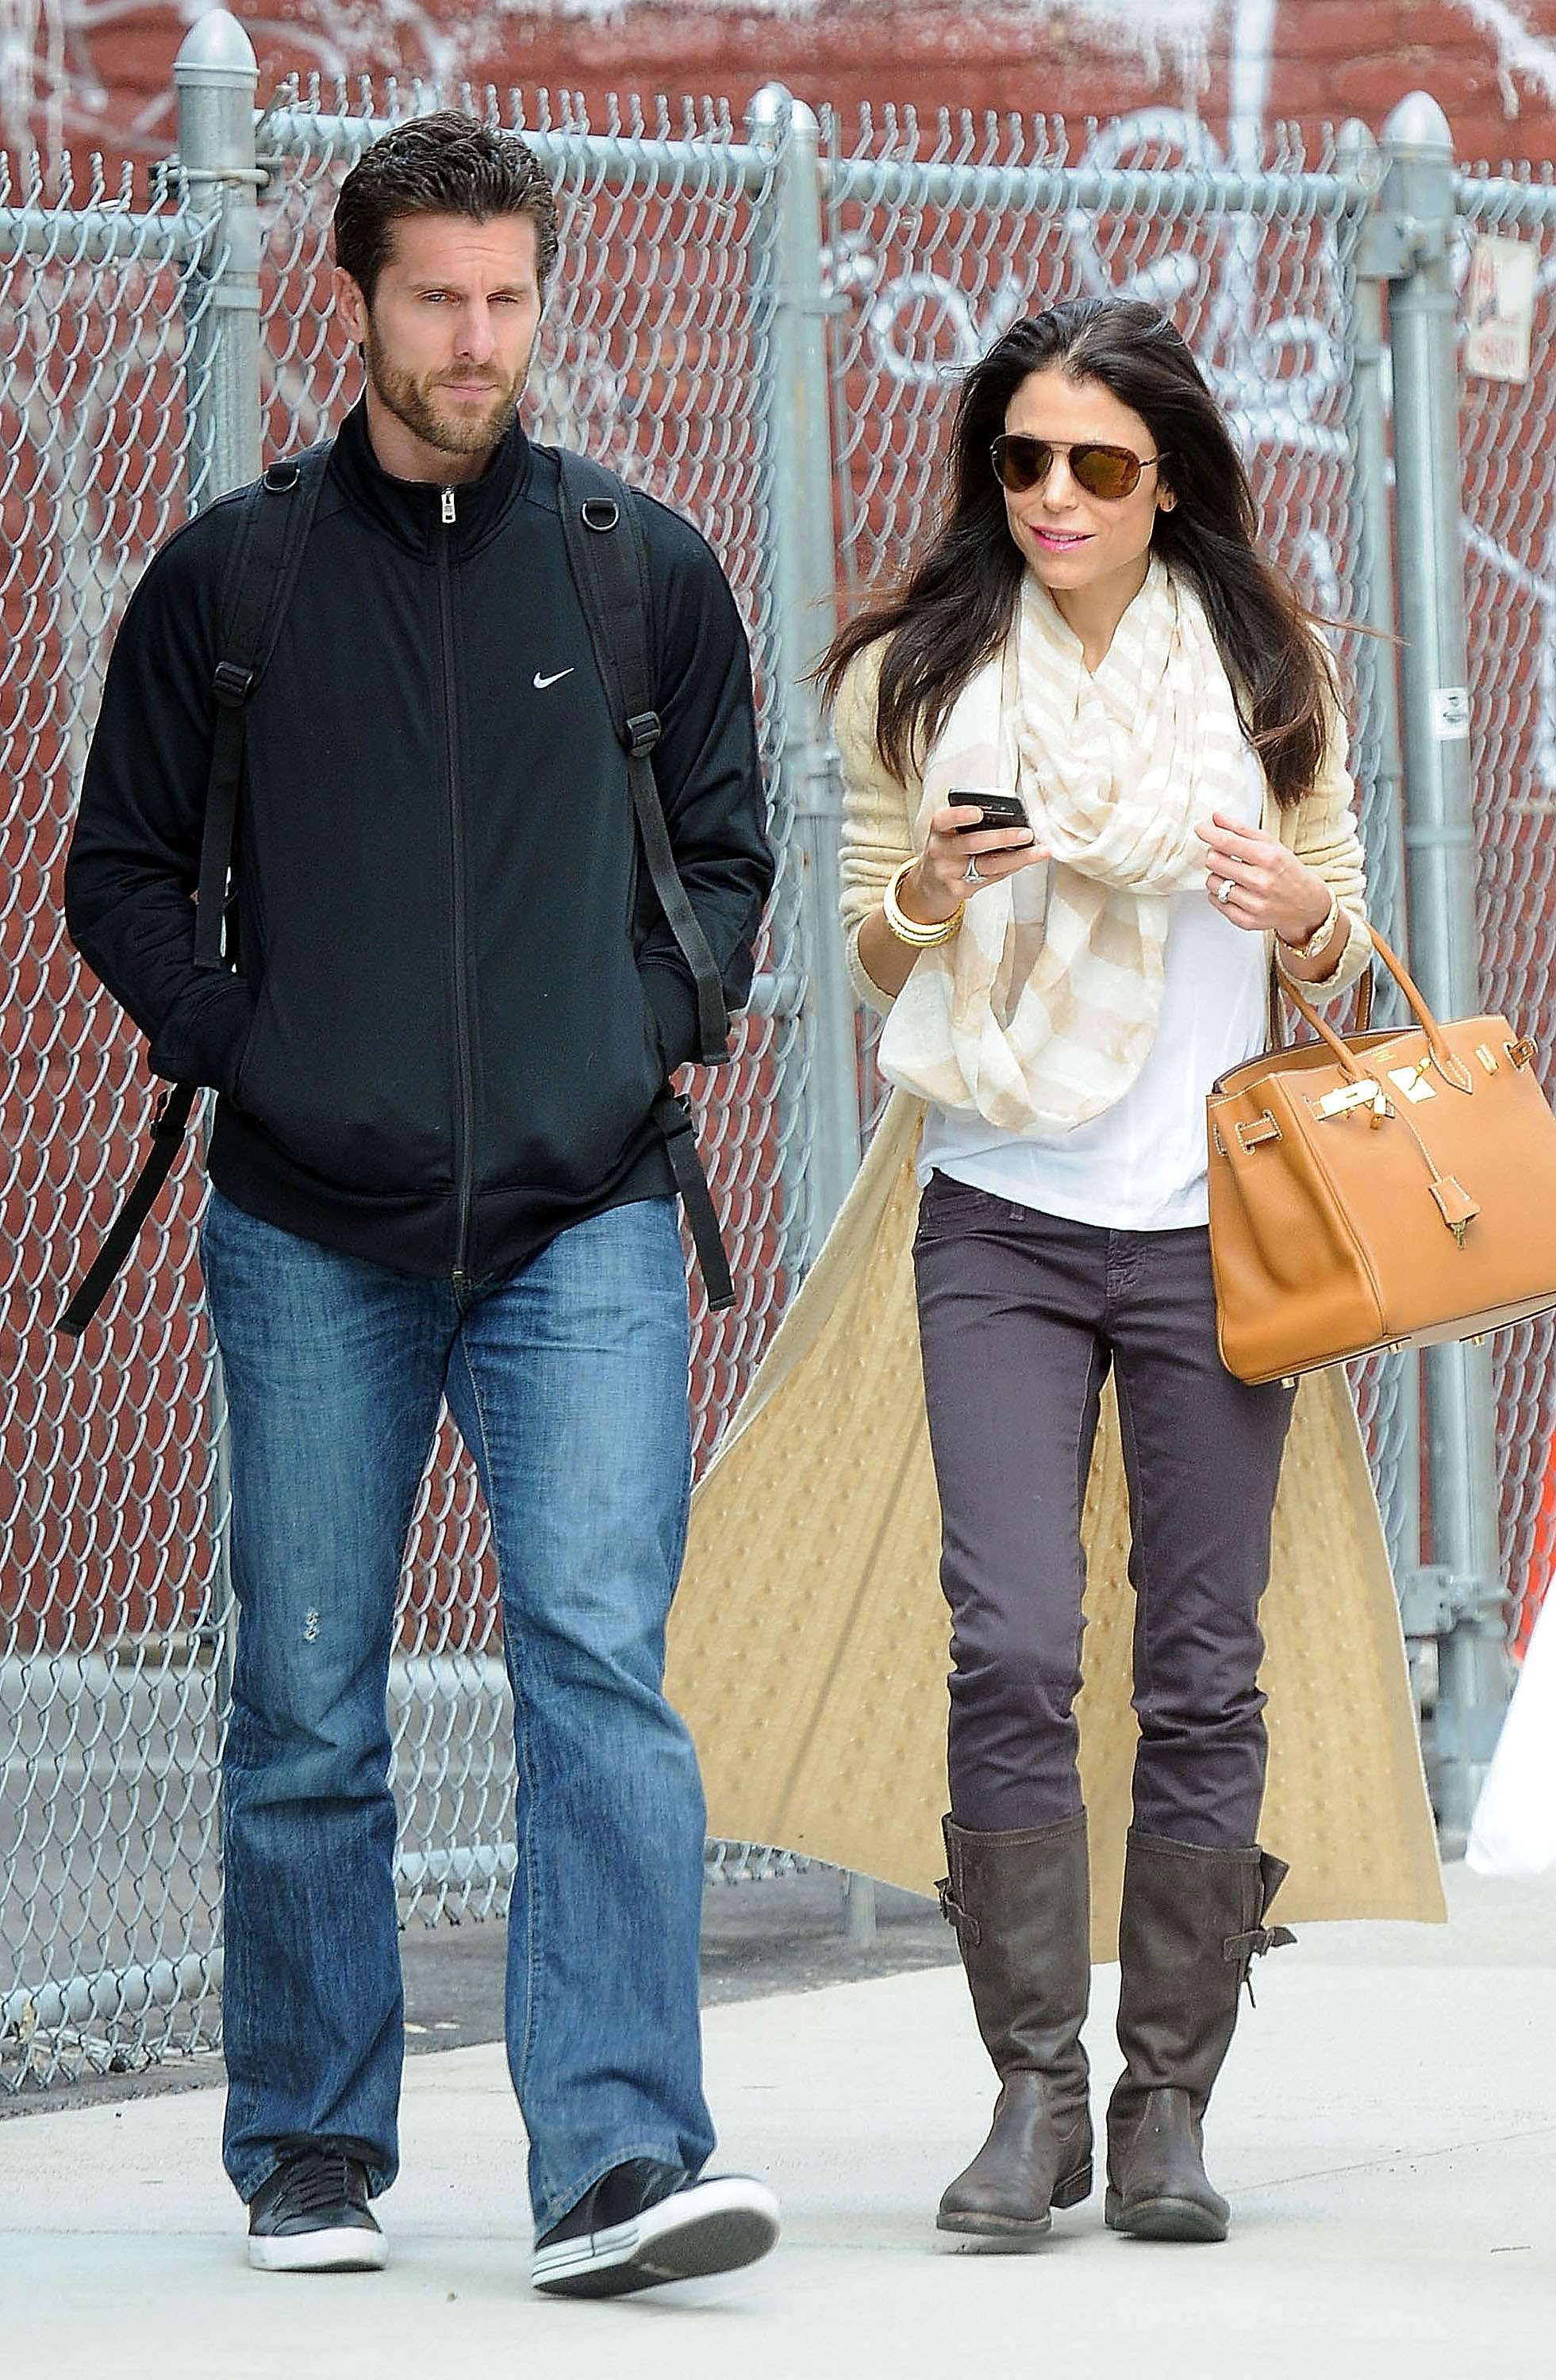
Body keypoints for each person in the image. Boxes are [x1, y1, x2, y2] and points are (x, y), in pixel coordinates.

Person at [65, 113, 779, 2297]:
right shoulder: (237, 579)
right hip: (307, 1230)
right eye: (438, 299)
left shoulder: (634, 566)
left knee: (597, 1676)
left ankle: (618, 2162)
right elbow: (111, 870)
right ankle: (308, 2149)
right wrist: (252, 1047)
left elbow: (737, 849)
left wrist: (649, 1009)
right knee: (303, 1699)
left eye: (509, 298)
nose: (479, 341)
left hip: (584, 1224)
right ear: (354, 303)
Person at [821, 296, 1372, 2246]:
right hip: (1002, 1213)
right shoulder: (919, 675)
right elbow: (870, 956)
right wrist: (928, 896)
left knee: (1203, 1671)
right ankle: (1032, 2095)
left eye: (1102, 467)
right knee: (1020, 1644)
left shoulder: (1265, 674)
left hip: (1218, 1230)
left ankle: (1166, 2113)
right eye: (1026, 460)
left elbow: (1345, 946)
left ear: (1172, 485)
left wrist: (1307, 914)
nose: (1056, 497)